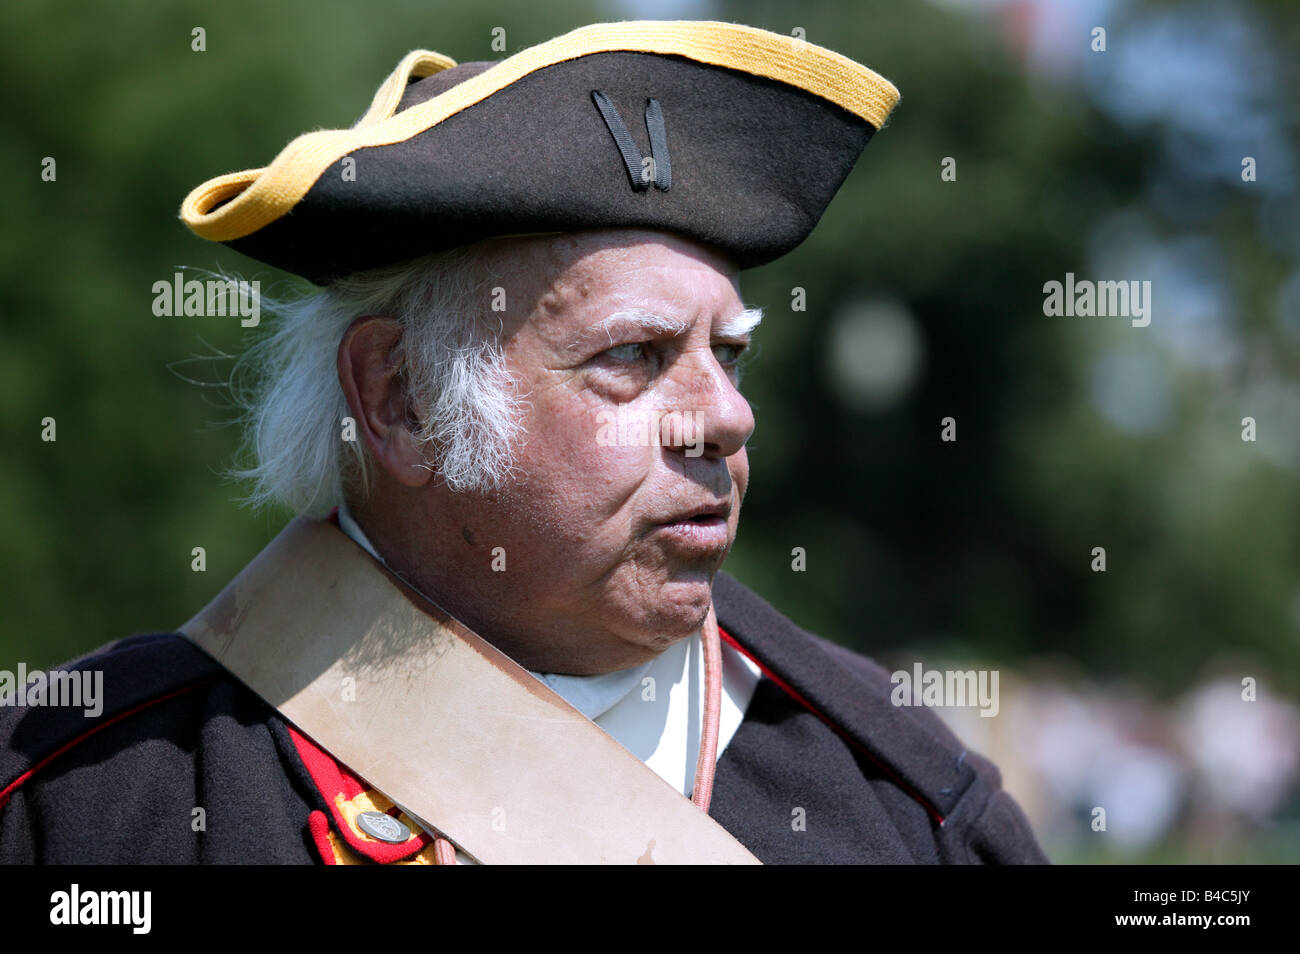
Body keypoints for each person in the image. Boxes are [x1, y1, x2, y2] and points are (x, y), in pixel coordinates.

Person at [0, 20, 1048, 864]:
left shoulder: (903, 802)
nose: (726, 416)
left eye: (728, 354)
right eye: (632, 355)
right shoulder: (91, 796)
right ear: (400, 398)